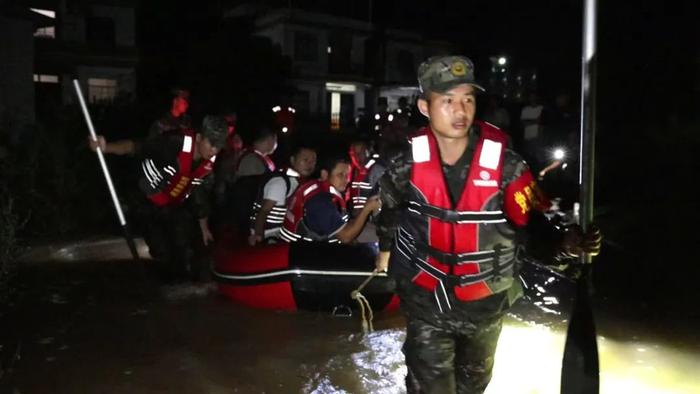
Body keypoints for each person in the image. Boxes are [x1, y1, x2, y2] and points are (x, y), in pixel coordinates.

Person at [374, 55, 602, 394]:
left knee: (473, 387)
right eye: (447, 100)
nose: (460, 110)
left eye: (468, 99)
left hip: (485, 305)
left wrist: (566, 246)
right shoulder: (403, 166)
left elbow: (532, 230)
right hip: (426, 303)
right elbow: (389, 213)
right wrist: (385, 253)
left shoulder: (507, 167)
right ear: (425, 106)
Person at [137, 115, 227, 281]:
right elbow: (137, 147)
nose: (214, 150)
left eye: (219, 146)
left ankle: (182, 285)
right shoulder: (174, 143)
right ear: (199, 137)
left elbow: (199, 192)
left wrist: (204, 227)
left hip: (174, 205)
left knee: (184, 247)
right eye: (212, 144)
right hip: (148, 202)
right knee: (161, 251)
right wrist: (106, 147)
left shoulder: (209, 163)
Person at [280, 155, 380, 244]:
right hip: (304, 255)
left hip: (300, 249)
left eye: (347, 175)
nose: (347, 180)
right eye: (340, 175)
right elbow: (345, 237)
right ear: (324, 174)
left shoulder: (317, 188)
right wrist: (366, 209)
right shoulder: (320, 201)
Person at [89, 88, 192, 156]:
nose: (186, 104)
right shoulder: (160, 121)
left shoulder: (186, 123)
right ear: (175, 101)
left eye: (187, 102)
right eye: (183, 101)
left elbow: (189, 148)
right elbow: (139, 146)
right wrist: (105, 147)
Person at [248, 145, 317, 245]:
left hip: (280, 236)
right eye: (305, 159)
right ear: (293, 160)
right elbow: (263, 212)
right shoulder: (280, 182)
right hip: (269, 237)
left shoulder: (300, 182)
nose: (309, 164)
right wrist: (260, 241)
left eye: (313, 161)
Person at [346, 139, 385, 215]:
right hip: (354, 217)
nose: (357, 156)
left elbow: (382, 196)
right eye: (355, 153)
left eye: (361, 152)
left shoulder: (376, 169)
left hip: (371, 218)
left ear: (367, 152)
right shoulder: (350, 171)